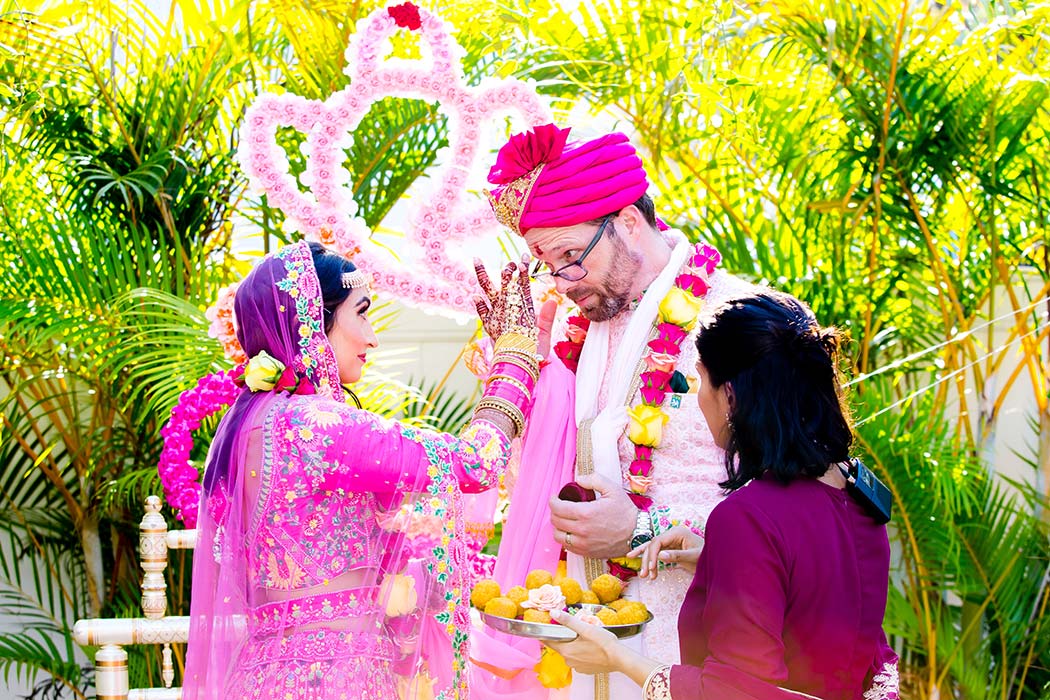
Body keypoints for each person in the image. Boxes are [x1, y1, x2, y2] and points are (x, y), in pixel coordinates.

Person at [183, 241, 541, 699]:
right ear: (313, 321)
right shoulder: (318, 427)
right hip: (337, 680)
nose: (373, 337)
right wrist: (515, 359)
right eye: (363, 313)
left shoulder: (249, 424)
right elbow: (476, 461)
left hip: (259, 677)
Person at [471, 123, 753, 700]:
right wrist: (520, 374)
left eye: (572, 256)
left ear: (627, 221)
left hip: (700, 640)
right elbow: (548, 470)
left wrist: (641, 527)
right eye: (548, 265)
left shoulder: (746, 320)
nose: (562, 281)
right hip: (586, 645)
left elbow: (805, 502)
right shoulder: (583, 332)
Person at [546, 291, 900, 700]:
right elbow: (840, 620)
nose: (698, 398)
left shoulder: (748, 517)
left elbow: (734, 692)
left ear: (730, 395)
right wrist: (718, 563)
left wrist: (614, 657)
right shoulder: (856, 490)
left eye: (699, 380)